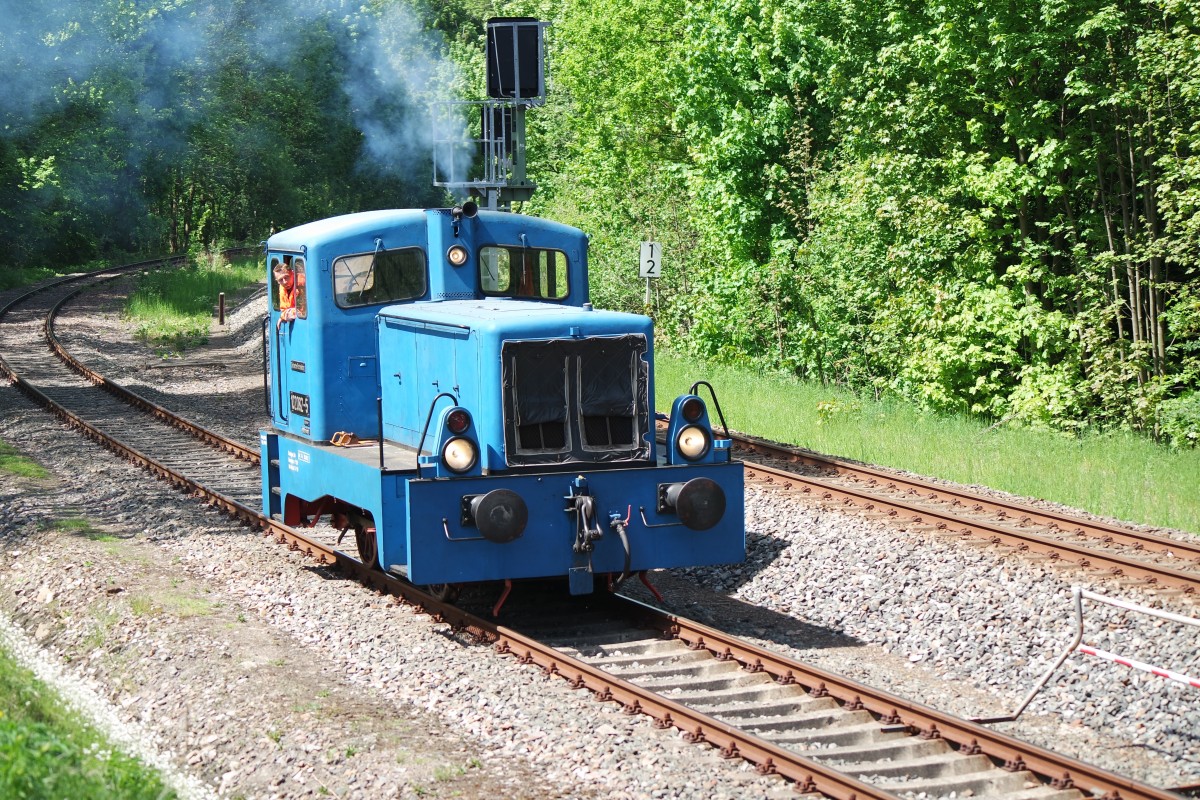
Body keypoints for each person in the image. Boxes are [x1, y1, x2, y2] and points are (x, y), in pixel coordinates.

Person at [273, 259, 298, 330]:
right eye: (281, 280)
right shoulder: (282, 288)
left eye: (286, 277)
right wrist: (284, 315)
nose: (285, 282)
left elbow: (301, 311)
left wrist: (283, 316)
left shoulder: (301, 284)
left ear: (292, 273)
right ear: (277, 281)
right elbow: (284, 309)